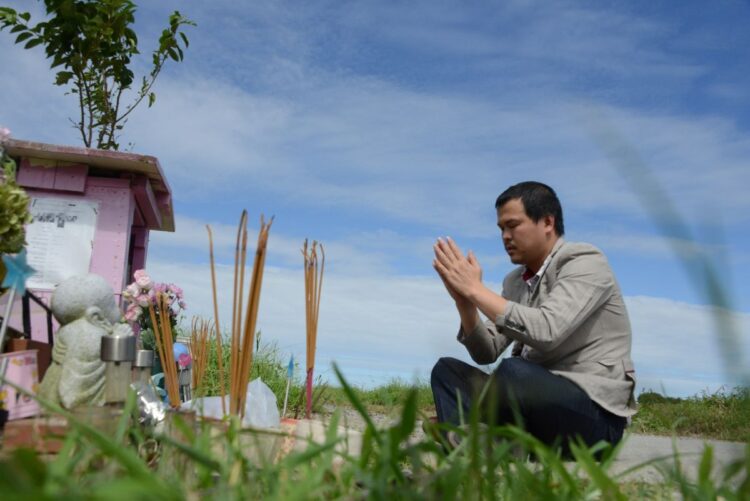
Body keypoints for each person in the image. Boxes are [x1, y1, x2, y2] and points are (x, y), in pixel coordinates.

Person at [431, 181, 636, 455]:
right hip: (533, 409)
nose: (505, 236)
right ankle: (479, 445)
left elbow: (548, 332)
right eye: (501, 228)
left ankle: (475, 438)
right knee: (447, 371)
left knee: (514, 371)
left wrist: (476, 289)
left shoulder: (585, 261)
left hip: (593, 419)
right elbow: (486, 352)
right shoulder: (515, 281)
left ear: (547, 222)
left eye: (513, 225)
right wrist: (465, 303)